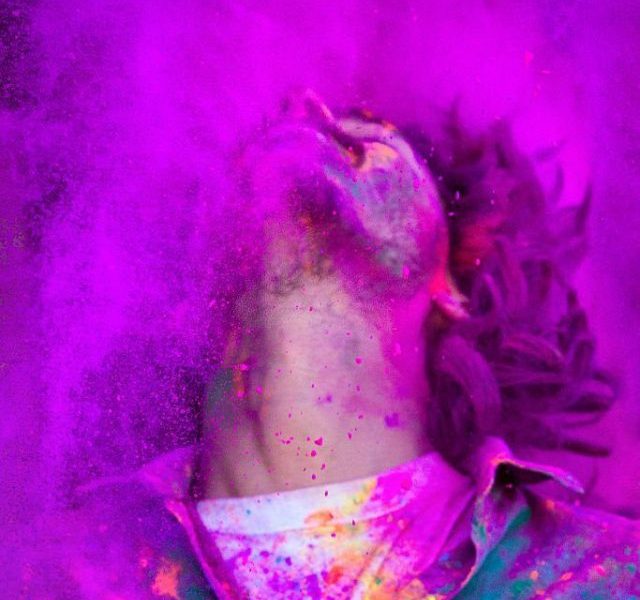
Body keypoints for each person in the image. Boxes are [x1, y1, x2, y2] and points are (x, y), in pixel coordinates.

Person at [14, 91, 640, 599]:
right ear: (191, 297)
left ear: (453, 284)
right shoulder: (45, 574)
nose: (305, 106)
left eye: (369, 129)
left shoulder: (605, 576)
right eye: (261, 134)